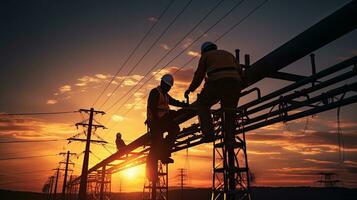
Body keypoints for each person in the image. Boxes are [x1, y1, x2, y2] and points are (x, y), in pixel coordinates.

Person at [184, 42, 242, 143]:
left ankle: (208, 134)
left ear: (203, 51)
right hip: (235, 84)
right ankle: (230, 138)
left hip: (218, 82)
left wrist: (190, 89)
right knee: (229, 111)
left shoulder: (206, 56)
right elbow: (240, 71)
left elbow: (199, 75)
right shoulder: (228, 54)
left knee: (202, 104)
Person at [146, 74, 188, 164]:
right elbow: (152, 108)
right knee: (156, 146)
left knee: (175, 128)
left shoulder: (165, 95)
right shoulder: (155, 92)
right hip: (156, 121)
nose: (168, 88)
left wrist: (183, 105)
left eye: (169, 87)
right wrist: (156, 123)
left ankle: (164, 154)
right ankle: (162, 157)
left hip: (163, 118)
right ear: (162, 83)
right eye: (167, 86)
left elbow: (173, 102)